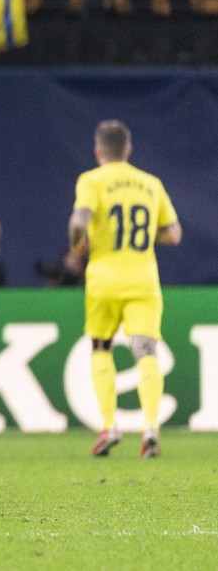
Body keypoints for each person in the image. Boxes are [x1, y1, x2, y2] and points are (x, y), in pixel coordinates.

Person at [68, 119, 181, 459]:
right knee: (146, 352)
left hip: (104, 279)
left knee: (101, 347)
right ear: (129, 149)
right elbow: (174, 234)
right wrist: (148, 238)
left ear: (98, 150)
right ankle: (150, 427)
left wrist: (79, 244)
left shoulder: (92, 180)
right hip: (143, 279)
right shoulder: (151, 183)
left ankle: (109, 425)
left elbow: (78, 221)